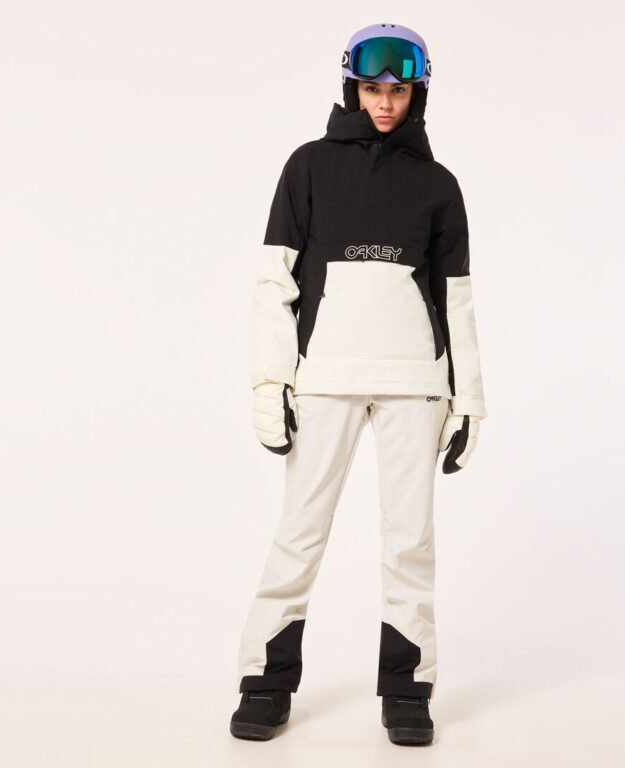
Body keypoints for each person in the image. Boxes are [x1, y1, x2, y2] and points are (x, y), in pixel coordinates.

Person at [230, 22, 487, 746]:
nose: (384, 103)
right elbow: (275, 284)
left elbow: (457, 300)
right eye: (372, 89)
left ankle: (407, 689)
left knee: (410, 541)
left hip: (415, 383)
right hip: (326, 379)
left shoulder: (439, 186)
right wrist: (269, 383)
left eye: (398, 91)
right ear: (352, 88)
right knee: (300, 530)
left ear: (417, 94)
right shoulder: (307, 167)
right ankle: (265, 681)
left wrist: (470, 399)